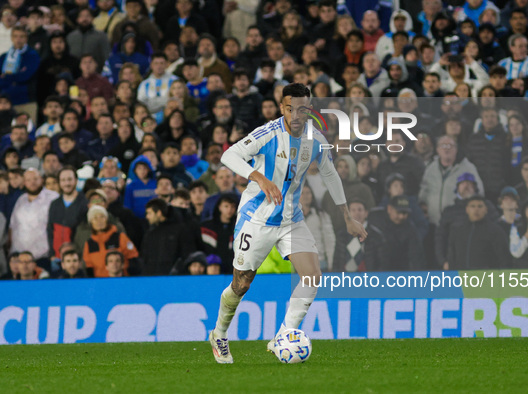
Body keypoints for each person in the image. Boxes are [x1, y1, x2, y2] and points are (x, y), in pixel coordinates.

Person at [209, 83, 366, 363]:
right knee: (241, 284)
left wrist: (347, 216)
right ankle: (219, 333)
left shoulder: (315, 139)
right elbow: (228, 155)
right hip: (256, 219)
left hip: (291, 219)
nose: (296, 115)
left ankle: (284, 334)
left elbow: (330, 175)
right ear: (282, 108)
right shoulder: (268, 133)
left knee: (312, 276)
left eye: (302, 109)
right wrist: (259, 177)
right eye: (290, 109)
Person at [419, 136, 483, 226]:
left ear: (456, 149)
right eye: (443, 146)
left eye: (450, 146)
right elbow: (424, 190)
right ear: (437, 149)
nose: (446, 149)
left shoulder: (467, 168)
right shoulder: (431, 168)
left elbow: (478, 192)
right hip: (433, 223)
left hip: (458, 224)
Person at [447, 195, 512, 270]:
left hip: (487, 278)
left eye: (480, 206)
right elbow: (452, 257)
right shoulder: (458, 231)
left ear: (486, 210)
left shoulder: (495, 231)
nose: (476, 209)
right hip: (461, 277)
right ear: (467, 209)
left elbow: (504, 259)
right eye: (473, 206)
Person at [10, 169, 60, 264]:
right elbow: (13, 226)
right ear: (24, 183)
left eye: (35, 179)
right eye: (28, 180)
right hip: (21, 257)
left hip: (44, 255)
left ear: (41, 180)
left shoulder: (53, 197)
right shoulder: (21, 200)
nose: (32, 182)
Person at [140, 197, 195, 276]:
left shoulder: (180, 230)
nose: (147, 217)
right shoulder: (149, 234)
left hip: (175, 279)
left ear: (158, 213)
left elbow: (187, 255)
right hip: (152, 280)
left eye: (149, 213)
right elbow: (144, 258)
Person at [82, 204, 139, 277]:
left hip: (121, 281)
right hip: (100, 284)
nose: (99, 221)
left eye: (102, 217)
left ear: (107, 219)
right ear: (91, 223)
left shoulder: (120, 237)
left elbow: (133, 259)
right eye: (95, 218)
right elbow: (88, 266)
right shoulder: (89, 244)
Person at [0, 26, 41, 118]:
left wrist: (6, 77)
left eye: (21, 36)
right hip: (6, 103)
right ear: (11, 38)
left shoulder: (32, 56)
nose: (18, 39)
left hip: (26, 101)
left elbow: (25, 76)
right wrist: (15, 76)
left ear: (26, 38)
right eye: (16, 36)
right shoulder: (4, 57)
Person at [47, 166, 87, 258]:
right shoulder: (54, 204)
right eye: (63, 180)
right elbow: (50, 230)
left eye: (70, 179)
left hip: (77, 258)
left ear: (76, 181)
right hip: (57, 257)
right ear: (59, 182)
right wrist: (52, 254)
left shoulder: (85, 203)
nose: (67, 183)